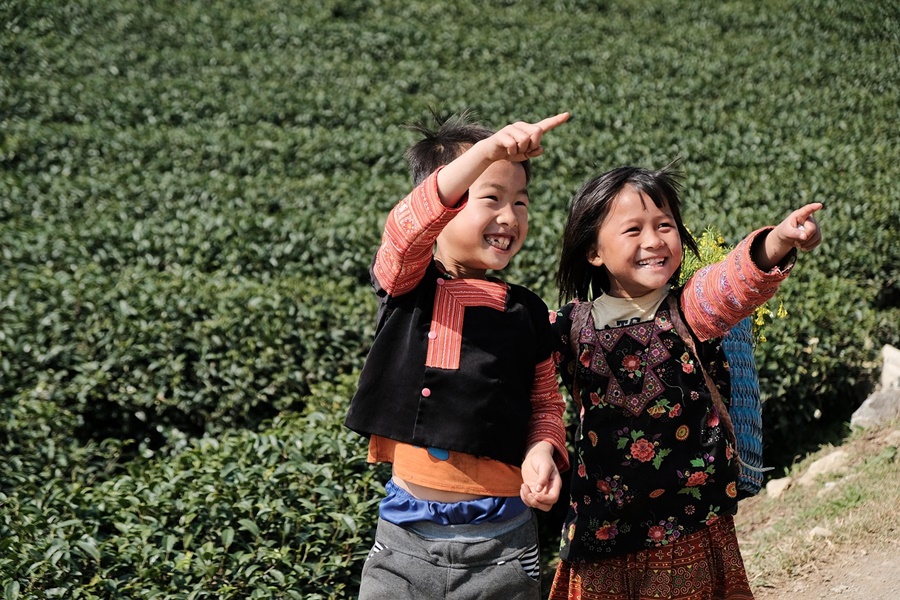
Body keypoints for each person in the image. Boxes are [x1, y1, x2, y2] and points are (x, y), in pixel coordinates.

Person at [547, 162, 822, 600]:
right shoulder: (568, 328)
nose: (654, 241)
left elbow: (733, 281)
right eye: (633, 230)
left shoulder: (690, 309)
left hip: (691, 520)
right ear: (593, 251)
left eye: (664, 225)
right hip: (603, 529)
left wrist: (780, 241)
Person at [345, 110, 572, 600]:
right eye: (491, 197)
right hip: (404, 540)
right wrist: (486, 152)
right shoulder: (408, 284)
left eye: (520, 202)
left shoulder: (527, 312)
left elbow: (545, 405)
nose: (509, 217)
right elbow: (405, 229)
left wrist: (542, 451)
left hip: (504, 544)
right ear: (444, 207)